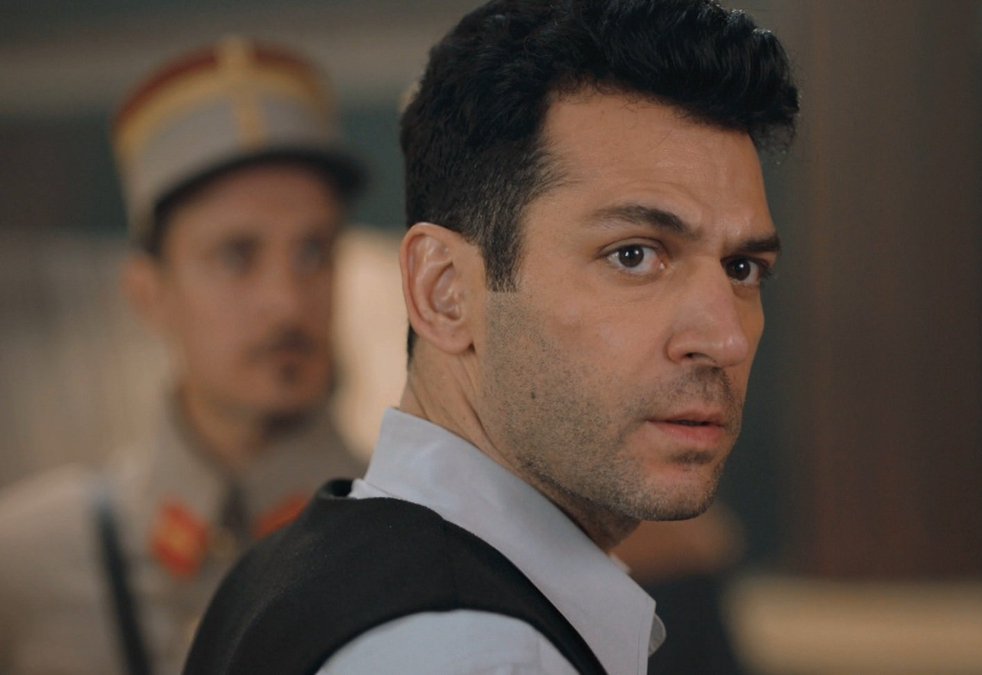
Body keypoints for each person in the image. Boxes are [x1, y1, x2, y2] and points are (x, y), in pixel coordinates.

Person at [185, 2, 799, 673]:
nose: (726, 338)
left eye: (743, 268)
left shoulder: (283, 574)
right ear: (444, 291)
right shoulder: (476, 654)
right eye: (633, 255)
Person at [0, 37, 366, 675]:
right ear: (149, 293)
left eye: (313, 252)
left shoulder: (417, 536)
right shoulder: (31, 565)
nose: (287, 302)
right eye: (236, 256)